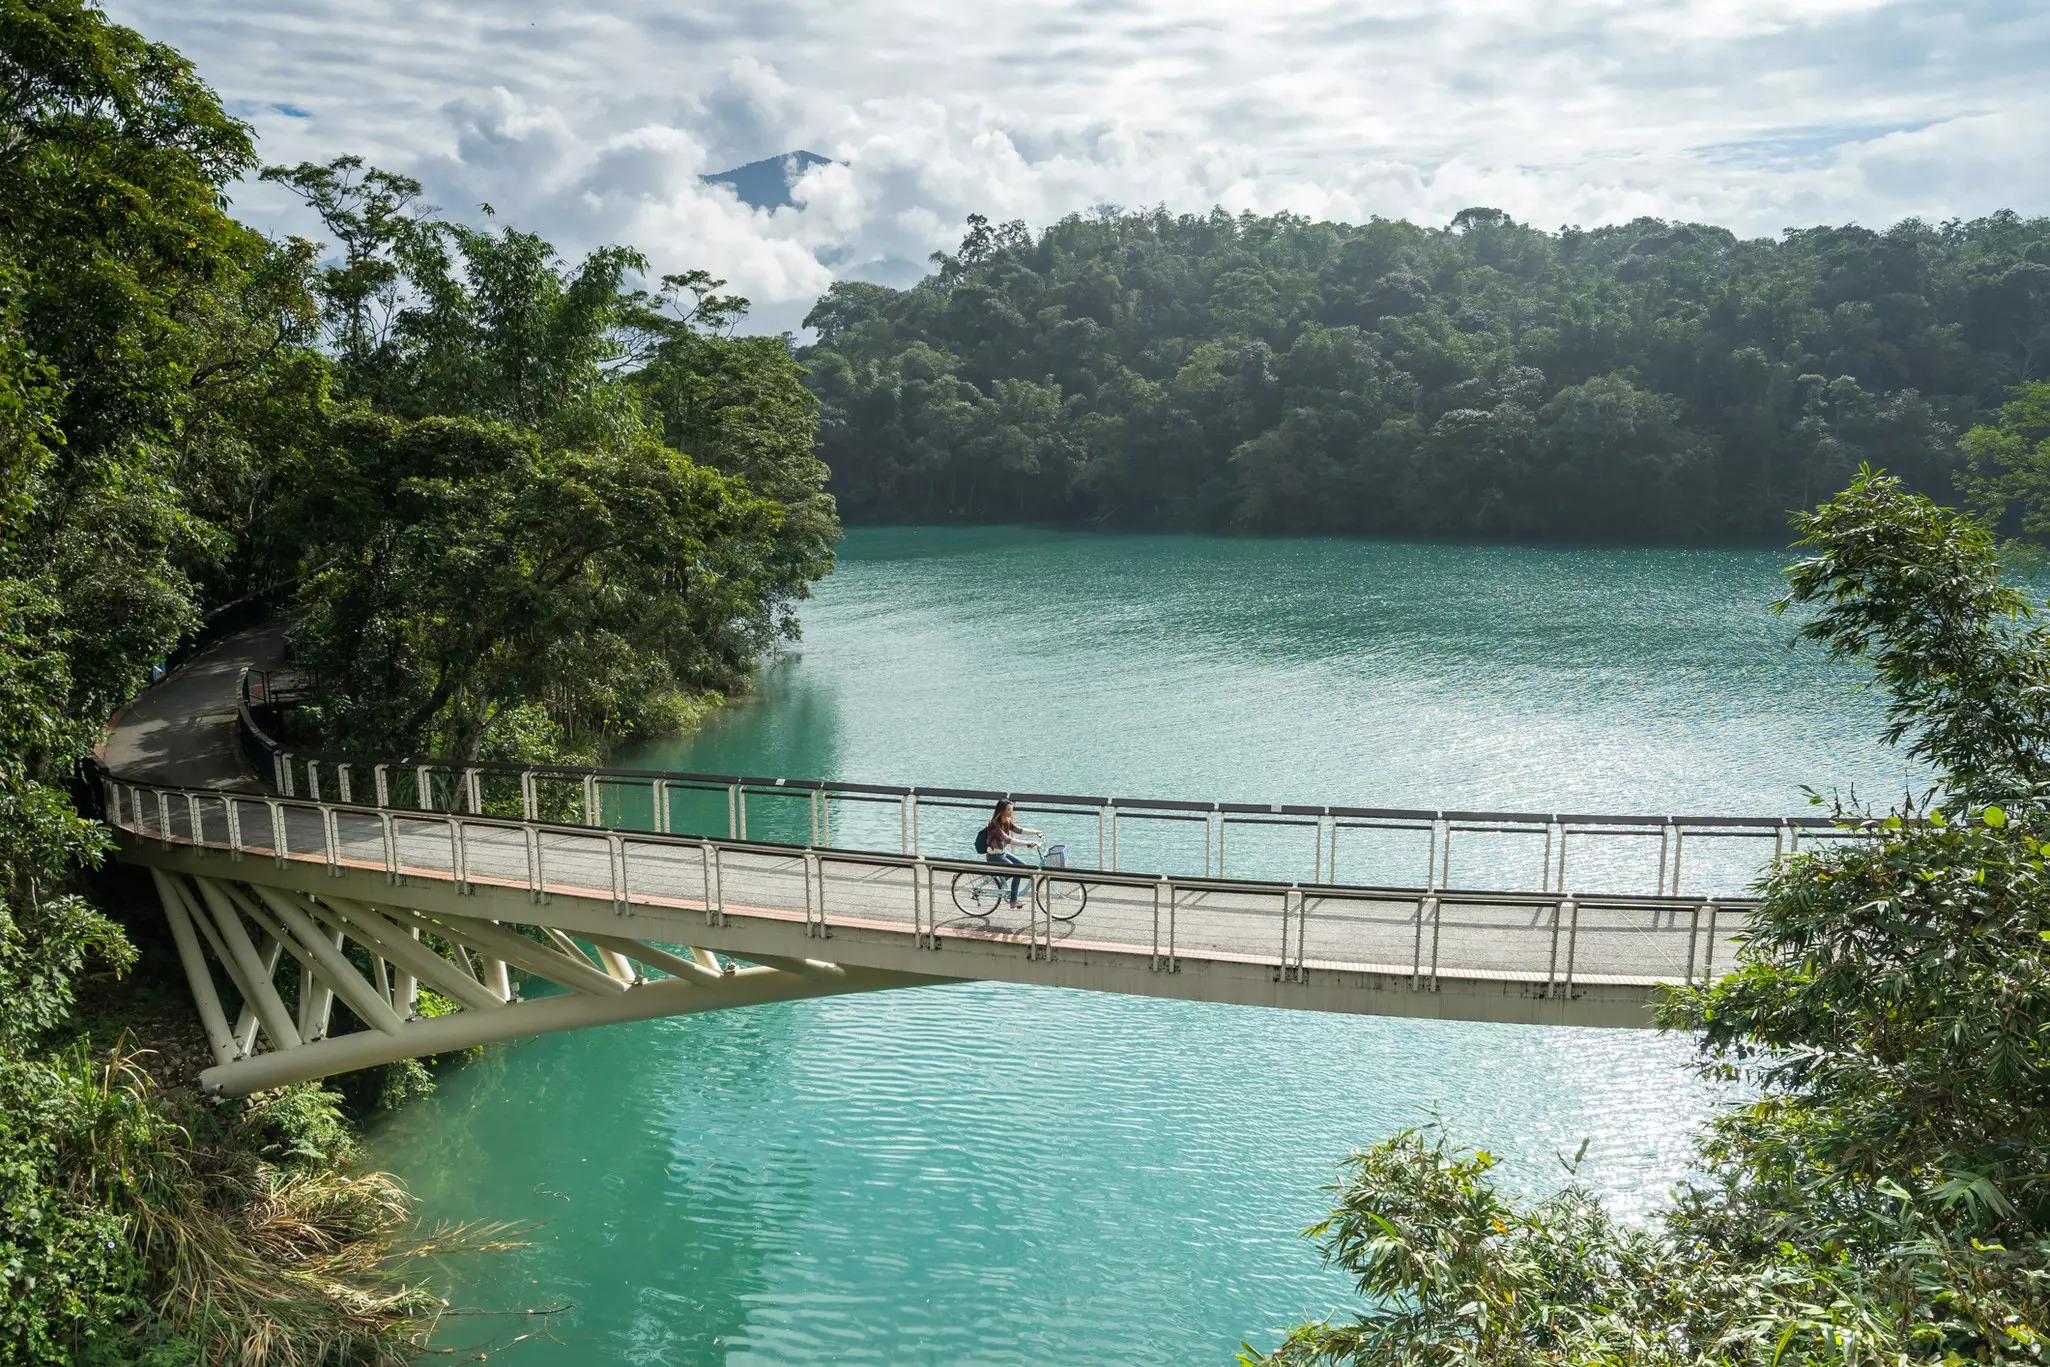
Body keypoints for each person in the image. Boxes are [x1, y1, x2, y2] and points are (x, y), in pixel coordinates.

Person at [978, 799, 1041, 909]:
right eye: (1008, 810)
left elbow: (1019, 830)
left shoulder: (1006, 821)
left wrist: (1035, 832)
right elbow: (1007, 839)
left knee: (1023, 866)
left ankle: (1001, 881)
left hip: (1002, 853)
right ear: (1001, 811)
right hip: (994, 856)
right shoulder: (994, 824)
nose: (1011, 812)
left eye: (1011, 809)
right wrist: (1027, 843)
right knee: (1017, 873)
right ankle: (1013, 900)